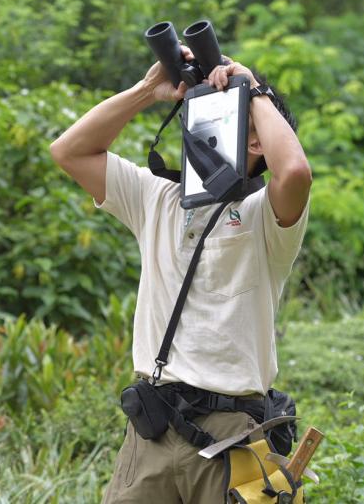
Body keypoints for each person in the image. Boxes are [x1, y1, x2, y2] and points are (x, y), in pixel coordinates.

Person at [49, 44, 312, 504]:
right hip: (153, 427)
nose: (201, 124)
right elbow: (69, 150)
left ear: (256, 142)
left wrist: (254, 91)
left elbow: (294, 172)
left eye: (223, 114)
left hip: (231, 433)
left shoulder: (263, 215)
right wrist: (147, 89)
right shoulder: (157, 198)